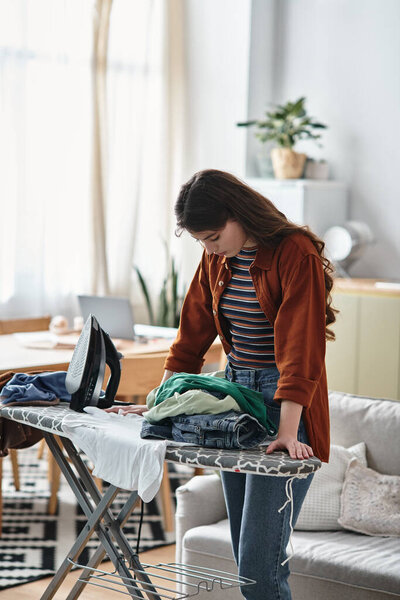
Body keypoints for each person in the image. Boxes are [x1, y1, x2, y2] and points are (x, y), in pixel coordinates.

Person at [107, 169, 336, 600]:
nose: (209, 249)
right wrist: (162, 403)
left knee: (258, 564)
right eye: (201, 242)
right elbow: (190, 336)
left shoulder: (294, 253)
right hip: (234, 401)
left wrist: (288, 431)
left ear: (238, 214)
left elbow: (300, 347)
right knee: (244, 553)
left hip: (284, 403)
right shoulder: (217, 258)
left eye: (212, 237)